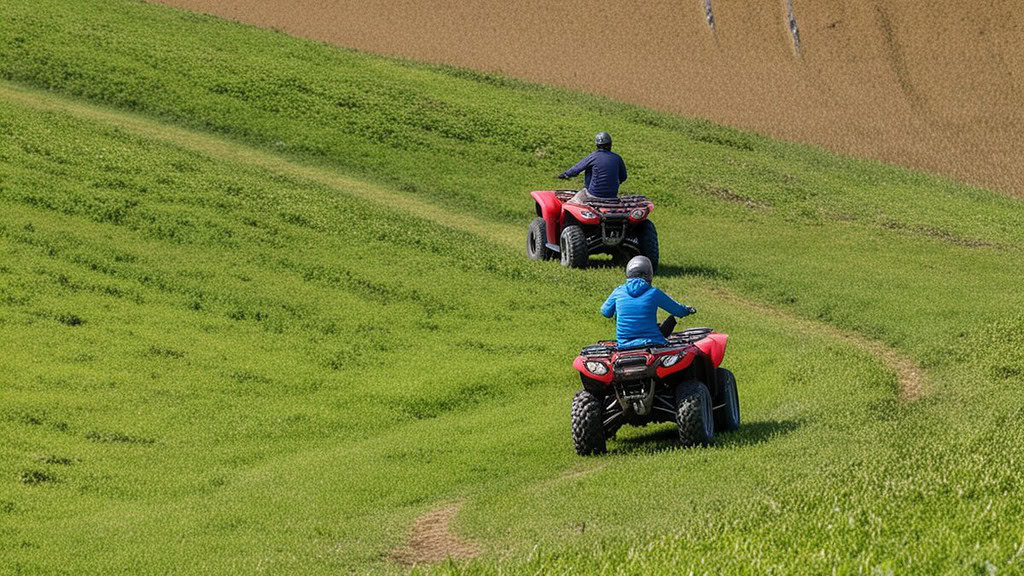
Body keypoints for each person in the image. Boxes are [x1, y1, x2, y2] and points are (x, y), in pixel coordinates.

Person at [601, 256, 696, 349]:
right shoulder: (653, 292)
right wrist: (687, 310)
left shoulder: (618, 292)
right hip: (652, 341)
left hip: (624, 345)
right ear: (649, 274)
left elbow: (605, 312)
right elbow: (677, 310)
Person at [557, 131, 627, 204]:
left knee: (571, 202)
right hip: (613, 196)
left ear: (597, 145)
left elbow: (576, 169)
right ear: (610, 144)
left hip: (594, 194)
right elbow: (623, 177)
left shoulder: (593, 157)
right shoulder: (617, 158)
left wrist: (565, 174)